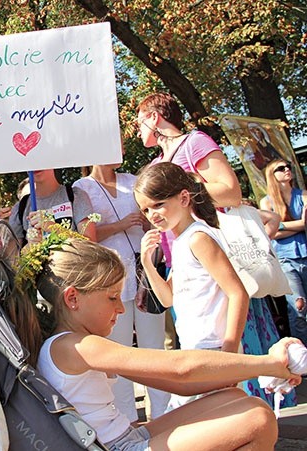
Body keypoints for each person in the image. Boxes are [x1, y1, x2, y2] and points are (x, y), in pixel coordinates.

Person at [18, 236, 302, 450]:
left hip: (128, 437)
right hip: (120, 446)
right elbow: (180, 368)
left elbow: (177, 383)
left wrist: (233, 375)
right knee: (258, 419)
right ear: (72, 298)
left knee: (235, 398)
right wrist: (269, 364)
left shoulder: (75, 345)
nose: (120, 309)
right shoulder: (77, 346)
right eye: (111, 297)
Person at [137, 92, 242, 351]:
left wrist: (183, 189)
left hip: (211, 257)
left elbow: (231, 191)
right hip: (179, 259)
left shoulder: (194, 142)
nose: (138, 131)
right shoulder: (156, 164)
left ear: (154, 117)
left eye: (139, 122)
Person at [73, 163, 170, 421]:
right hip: (110, 280)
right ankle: (127, 420)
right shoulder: (81, 187)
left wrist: (151, 228)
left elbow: (156, 220)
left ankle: (163, 415)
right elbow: (86, 238)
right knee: (120, 353)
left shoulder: (133, 180)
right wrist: (121, 225)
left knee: (154, 348)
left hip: (146, 276)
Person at [260, 159, 307, 345]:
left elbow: (277, 229)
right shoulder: (267, 202)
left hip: (305, 253)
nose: (287, 170)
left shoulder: (303, 195)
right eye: (281, 168)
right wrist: (301, 225)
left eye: (288, 166)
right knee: (299, 307)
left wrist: (281, 226)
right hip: (285, 258)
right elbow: (272, 234)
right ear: (272, 175)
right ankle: (302, 357)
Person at [8, 169, 97, 246]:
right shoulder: (20, 207)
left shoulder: (75, 196)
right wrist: (30, 246)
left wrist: (53, 228)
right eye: (31, 159)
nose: (36, 165)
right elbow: (13, 259)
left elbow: (91, 244)